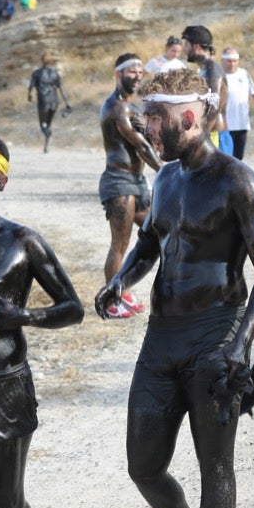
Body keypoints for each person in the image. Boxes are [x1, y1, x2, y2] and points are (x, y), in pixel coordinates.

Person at [95, 68, 254, 508]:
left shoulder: (239, 182)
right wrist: (119, 280)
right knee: (143, 466)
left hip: (215, 335)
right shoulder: (167, 179)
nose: (146, 125)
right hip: (162, 337)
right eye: (146, 115)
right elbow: (149, 245)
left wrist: (241, 342)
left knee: (215, 467)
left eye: (156, 117)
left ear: (191, 118)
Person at [0, 133, 84, 508]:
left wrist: (22, 316)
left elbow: (72, 308)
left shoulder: (22, 242)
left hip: (4, 387)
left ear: (3, 181)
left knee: (6, 500)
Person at [99, 54, 163, 319]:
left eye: (140, 71)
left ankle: (123, 291)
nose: (137, 76)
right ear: (118, 74)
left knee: (159, 232)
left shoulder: (132, 107)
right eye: (131, 72)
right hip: (119, 181)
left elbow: (150, 133)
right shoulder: (116, 107)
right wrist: (166, 171)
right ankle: (111, 300)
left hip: (138, 182)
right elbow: (143, 146)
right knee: (120, 244)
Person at [181, 25, 229, 152]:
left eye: (186, 45)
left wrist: (200, 137)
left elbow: (214, 105)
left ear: (196, 46)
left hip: (215, 136)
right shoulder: (203, 70)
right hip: (209, 134)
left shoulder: (212, 69)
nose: (184, 49)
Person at [27, 52, 71, 154]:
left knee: (43, 125)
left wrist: (29, 96)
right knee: (49, 124)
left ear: (41, 61)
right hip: (54, 101)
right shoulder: (55, 73)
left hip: (43, 101)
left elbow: (30, 87)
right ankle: (46, 145)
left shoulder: (36, 73)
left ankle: (48, 136)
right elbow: (61, 88)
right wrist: (67, 102)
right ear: (51, 61)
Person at [221, 47, 254, 160]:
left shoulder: (244, 74)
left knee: (239, 157)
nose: (232, 64)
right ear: (223, 61)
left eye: (235, 61)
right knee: (226, 157)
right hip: (225, 125)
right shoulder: (218, 75)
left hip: (242, 123)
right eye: (229, 61)